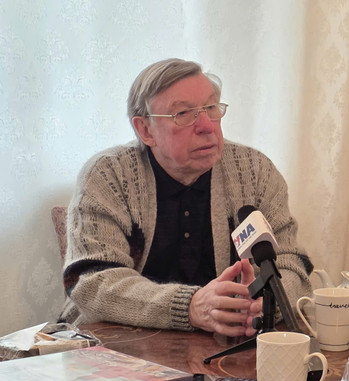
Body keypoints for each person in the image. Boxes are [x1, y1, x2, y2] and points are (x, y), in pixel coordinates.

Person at [58, 58, 313, 338]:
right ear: (145, 130)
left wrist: (266, 304)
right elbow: (93, 281)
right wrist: (189, 307)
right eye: (183, 113)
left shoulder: (255, 171)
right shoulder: (109, 176)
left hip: (229, 345)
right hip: (118, 345)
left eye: (211, 108)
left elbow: (291, 262)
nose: (206, 125)